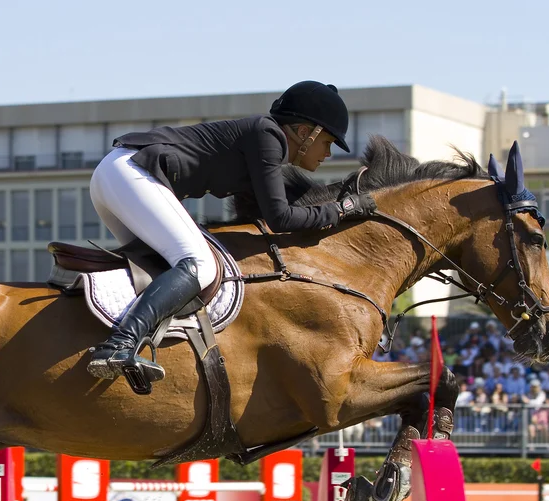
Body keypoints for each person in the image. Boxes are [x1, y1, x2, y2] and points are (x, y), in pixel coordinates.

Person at [85, 80, 377, 392]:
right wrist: (343, 209)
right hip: (133, 172)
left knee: (159, 271)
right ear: (306, 133)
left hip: (116, 175)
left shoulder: (263, 143)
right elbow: (281, 218)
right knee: (200, 264)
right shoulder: (268, 136)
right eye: (328, 142)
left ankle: (122, 341)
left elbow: (269, 216)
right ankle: (120, 345)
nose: (328, 153)